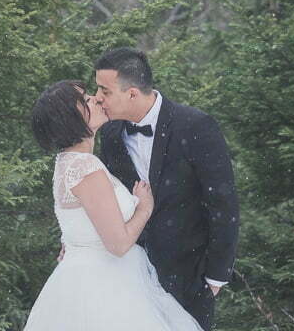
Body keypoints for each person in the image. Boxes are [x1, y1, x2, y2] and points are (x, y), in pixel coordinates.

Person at [26, 79, 204, 331]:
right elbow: (118, 244)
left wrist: (70, 243)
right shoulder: (86, 168)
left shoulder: (67, 162)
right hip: (107, 284)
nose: (96, 99)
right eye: (86, 100)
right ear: (72, 119)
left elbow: (80, 223)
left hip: (82, 278)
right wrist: (144, 207)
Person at [95, 47, 239, 331]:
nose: (98, 98)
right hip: (130, 276)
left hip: (189, 276)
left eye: (105, 90)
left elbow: (223, 202)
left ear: (132, 93)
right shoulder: (111, 134)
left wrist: (215, 277)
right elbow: (105, 199)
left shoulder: (195, 125)